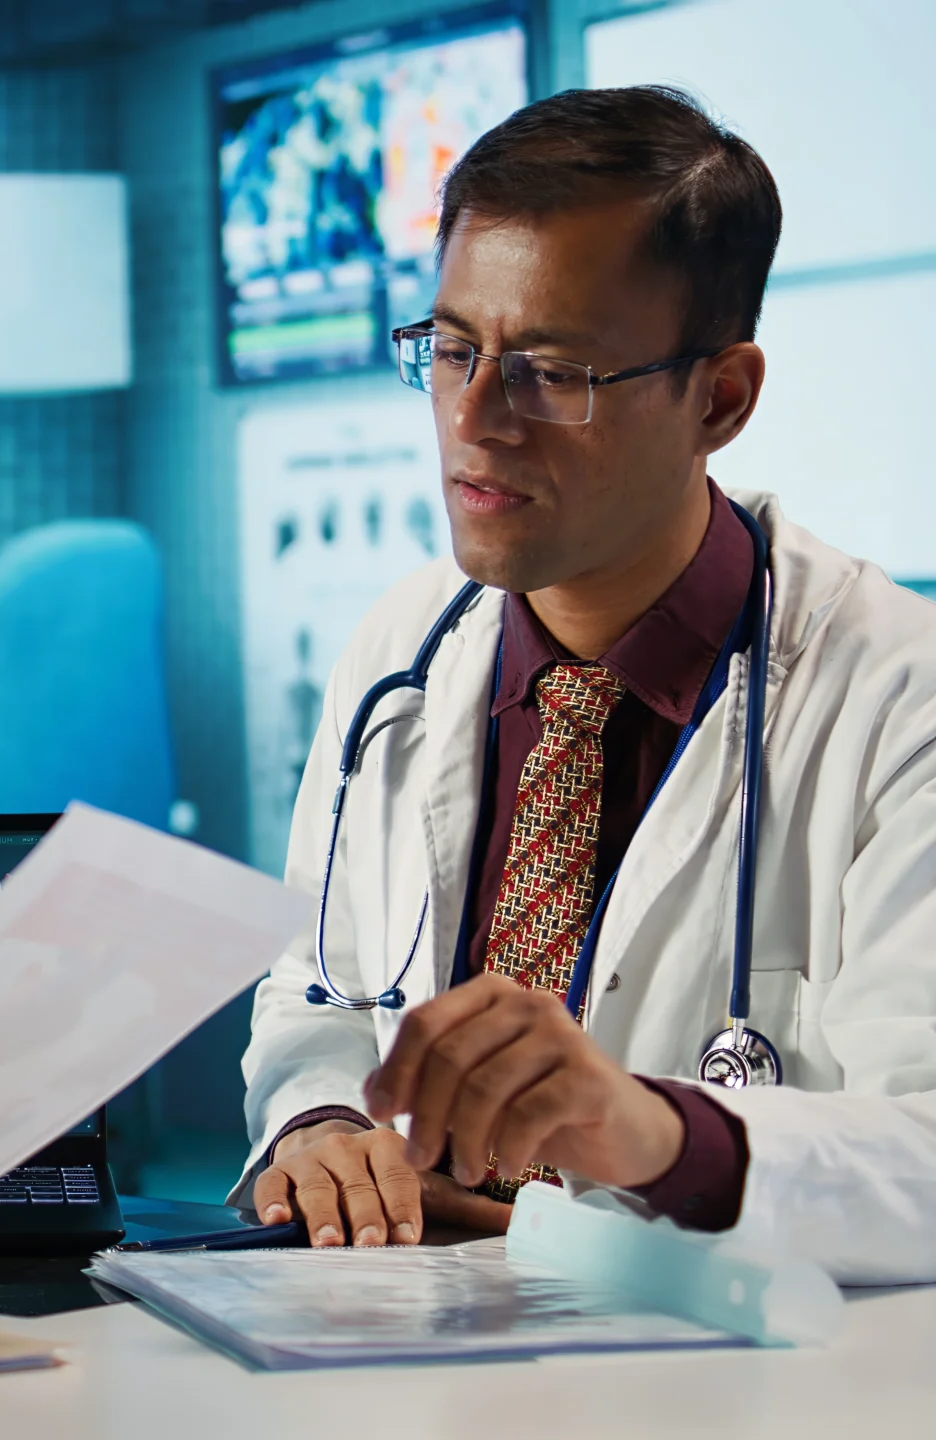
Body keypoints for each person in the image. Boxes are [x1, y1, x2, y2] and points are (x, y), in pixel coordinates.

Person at [238, 86, 936, 1285]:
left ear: (718, 398)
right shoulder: (399, 655)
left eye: (550, 371)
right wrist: (315, 1124)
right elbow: (314, 1000)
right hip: (394, 1352)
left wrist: (645, 1131)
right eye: (454, 349)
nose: (473, 419)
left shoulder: (895, 701)